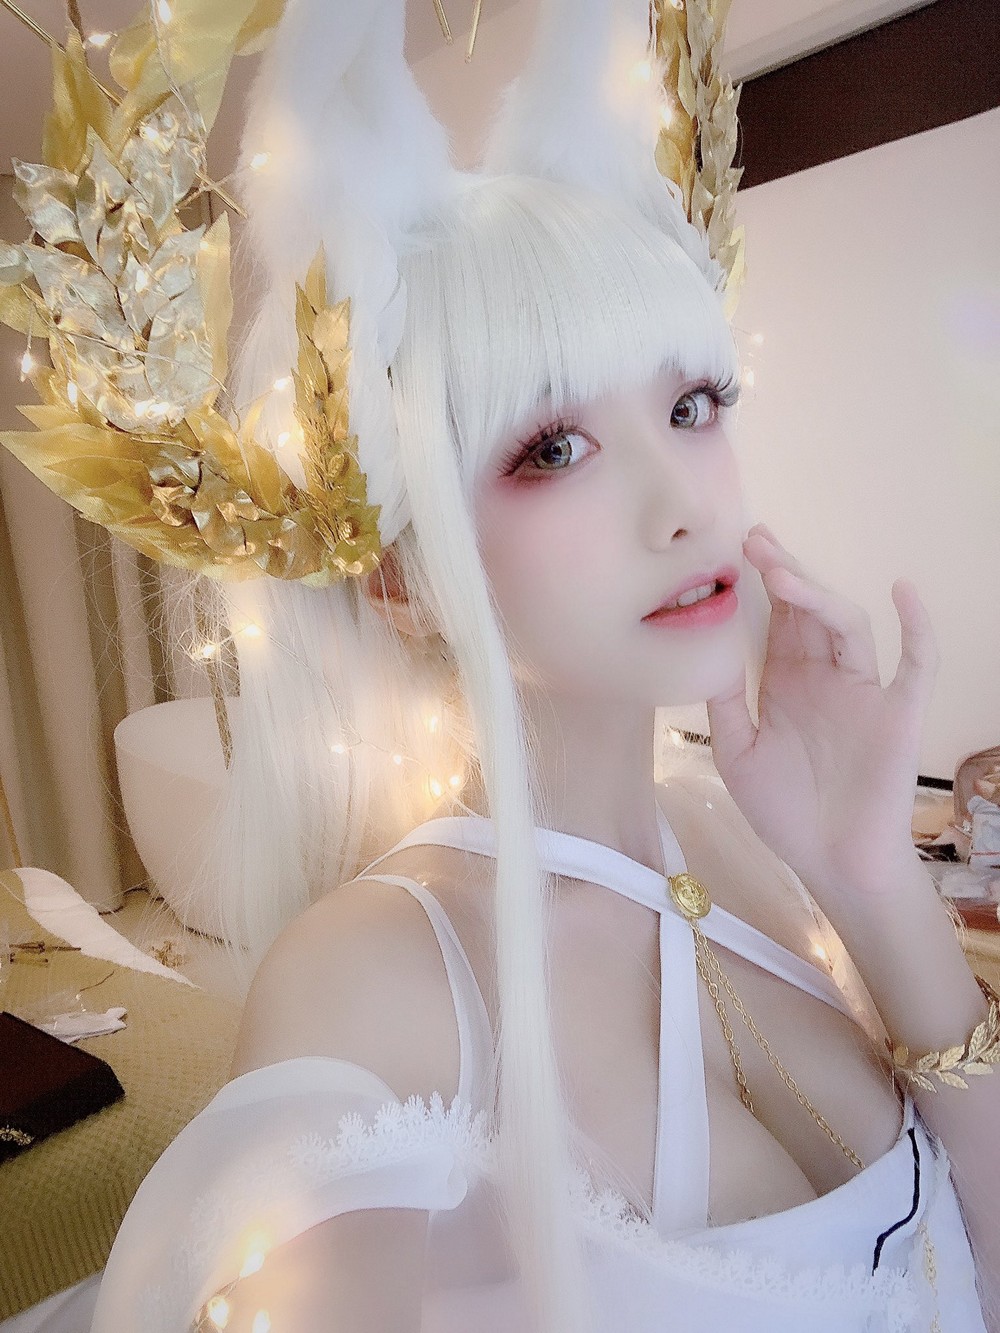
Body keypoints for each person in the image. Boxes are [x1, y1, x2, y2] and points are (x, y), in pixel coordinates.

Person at [2, 0, 993, 1329]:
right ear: (399, 579)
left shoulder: (742, 837)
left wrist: (871, 875)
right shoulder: (371, 980)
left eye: (692, 404)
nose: (685, 505)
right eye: (554, 449)